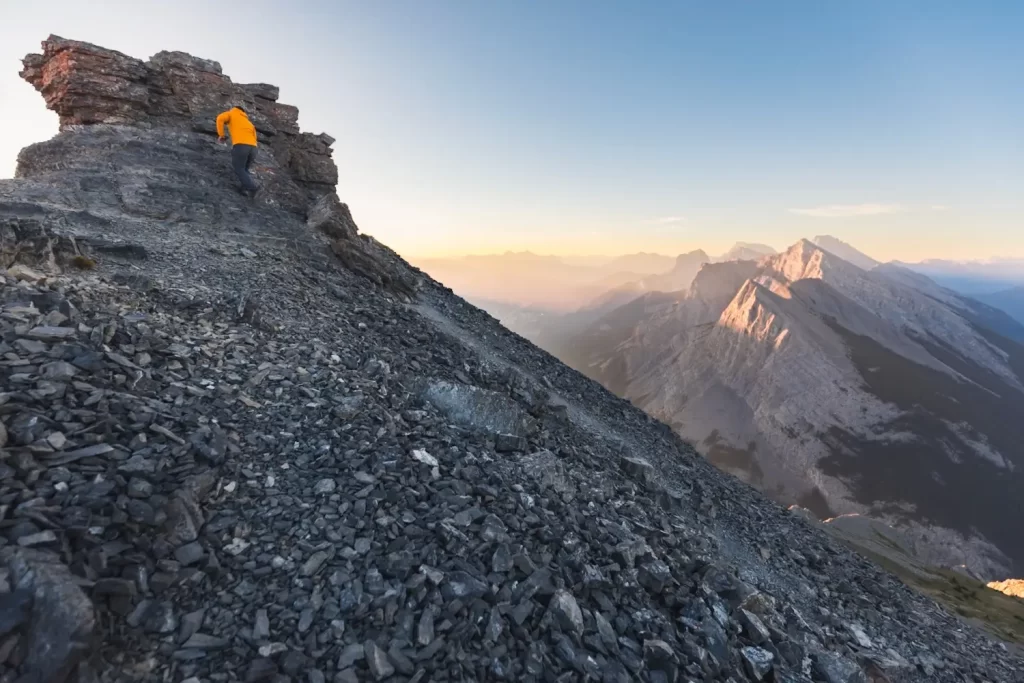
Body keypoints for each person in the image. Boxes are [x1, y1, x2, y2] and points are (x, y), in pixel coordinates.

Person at [216, 105, 260, 197]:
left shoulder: (231, 113)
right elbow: (255, 137)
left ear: (234, 109)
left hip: (241, 145)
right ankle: (244, 189)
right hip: (254, 147)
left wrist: (221, 135)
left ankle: (252, 187)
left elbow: (220, 118)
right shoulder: (249, 122)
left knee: (239, 168)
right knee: (245, 169)